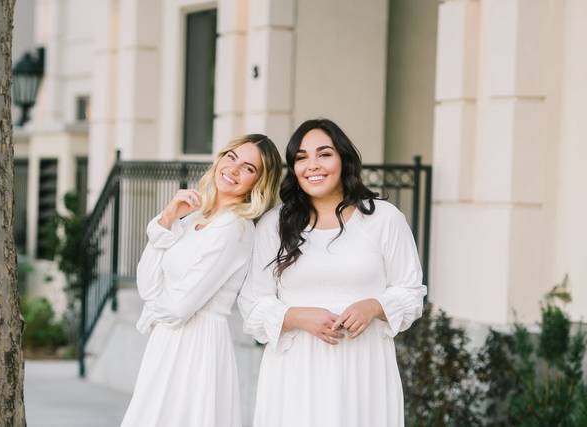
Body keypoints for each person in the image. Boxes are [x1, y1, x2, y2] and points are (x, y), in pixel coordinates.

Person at [238, 119, 427, 427]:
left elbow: (411, 292)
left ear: (343, 159)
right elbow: (251, 303)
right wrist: (297, 316)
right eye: (301, 158)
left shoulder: (384, 219)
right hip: (295, 370)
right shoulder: (275, 224)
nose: (313, 165)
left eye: (324, 154)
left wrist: (374, 306)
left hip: (363, 369)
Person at [120, 134, 282, 427]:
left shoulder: (235, 227)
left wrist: (157, 311)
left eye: (248, 168)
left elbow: (181, 306)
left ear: (259, 183)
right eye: (231, 157)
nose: (233, 170)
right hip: (167, 341)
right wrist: (167, 218)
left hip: (196, 344)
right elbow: (148, 284)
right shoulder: (191, 219)